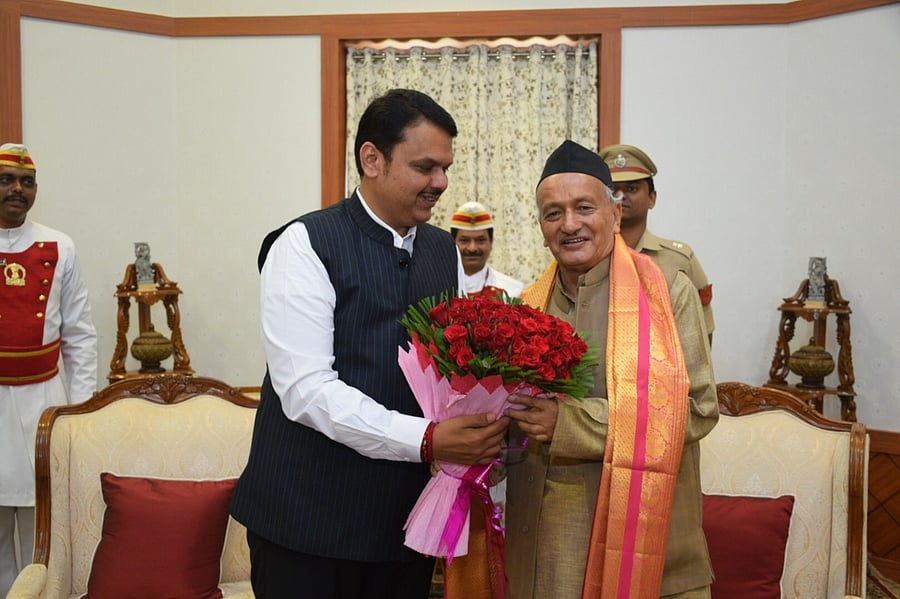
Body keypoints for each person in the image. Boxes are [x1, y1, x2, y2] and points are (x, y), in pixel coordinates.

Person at [229, 89, 509, 599]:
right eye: (425, 167)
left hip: (402, 528)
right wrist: (428, 439)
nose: (441, 183)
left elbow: (451, 370)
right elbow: (306, 391)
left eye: (445, 168)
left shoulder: (443, 250)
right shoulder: (305, 243)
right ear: (372, 159)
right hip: (307, 528)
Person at [504, 140, 718, 598]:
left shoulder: (667, 293)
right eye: (553, 213)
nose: (570, 224)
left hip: (654, 553)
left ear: (616, 214)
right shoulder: (526, 308)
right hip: (550, 555)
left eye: (584, 207)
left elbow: (697, 408)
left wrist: (571, 423)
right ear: (541, 227)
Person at [0, 143, 98, 596]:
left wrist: (80, 412)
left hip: (44, 402)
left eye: (27, 182)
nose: (17, 190)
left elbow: (80, 336)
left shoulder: (61, 246)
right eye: (6, 180)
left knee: (45, 530)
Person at [598, 144, 715, 340]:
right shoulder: (589, 258)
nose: (621, 196)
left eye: (632, 188)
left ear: (652, 198)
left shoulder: (678, 260)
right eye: (612, 190)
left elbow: (702, 332)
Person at [450, 201, 525, 298]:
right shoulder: (440, 286)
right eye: (464, 240)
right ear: (452, 243)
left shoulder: (512, 291)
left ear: (491, 242)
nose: (472, 248)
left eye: (480, 240)